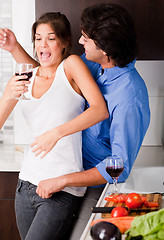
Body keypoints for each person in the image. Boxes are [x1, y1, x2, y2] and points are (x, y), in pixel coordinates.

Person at [0, 2, 150, 238]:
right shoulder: (93, 64)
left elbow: (118, 168)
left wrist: (63, 179)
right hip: (53, 173)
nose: (80, 42)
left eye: (86, 38)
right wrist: (14, 48)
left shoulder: (130, 96)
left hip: (91, 184)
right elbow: (46, 70)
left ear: (105, 46)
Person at [0, 12, 109, 240]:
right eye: (38, 38)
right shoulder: (27, 76)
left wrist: (56, 133)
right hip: (26, 184)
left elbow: (100, 110)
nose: (43, 44)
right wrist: (7, 96)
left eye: (50, 38)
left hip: (61, 189)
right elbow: (37, 66)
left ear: (65, 42)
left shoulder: (71, 66)